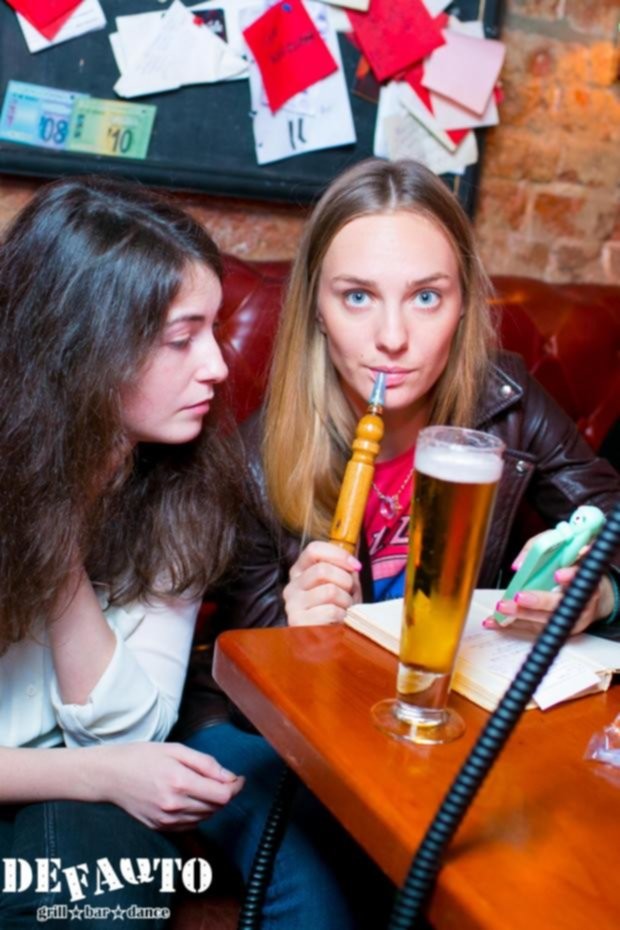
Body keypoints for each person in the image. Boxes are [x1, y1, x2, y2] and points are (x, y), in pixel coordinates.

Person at [178, 158, 620, 928]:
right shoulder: (251, 461)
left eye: (425, 297)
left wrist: (597, 590)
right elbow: (242, 686)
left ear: (462, 303)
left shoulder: (507, 401)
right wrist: (293, 632)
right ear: (316, 309)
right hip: (286, 742)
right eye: (357, 297)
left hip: (438, 727)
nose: (392, 338)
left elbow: (609, 517)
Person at [0, 177, 246, 928]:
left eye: (214, 330)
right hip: (68, 780)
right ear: (82, 347)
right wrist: (99, 774)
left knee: (101, 885)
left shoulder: (183, 488)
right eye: (181, 338)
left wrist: (61, 543)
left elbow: (133, 734)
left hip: (79, 806)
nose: (217, 366)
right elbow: (117, 762)